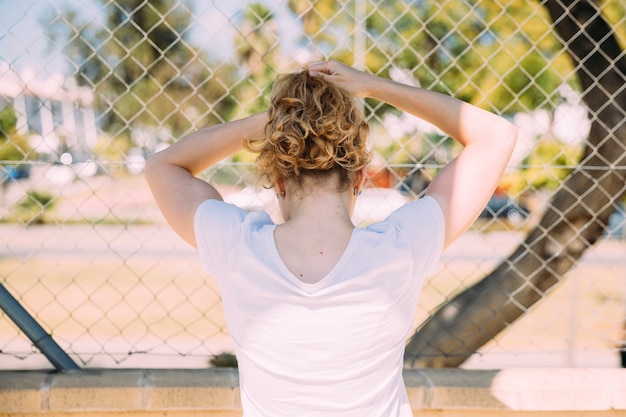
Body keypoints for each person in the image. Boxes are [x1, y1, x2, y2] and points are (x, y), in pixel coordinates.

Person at [145, 60, 517, 416]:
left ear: (278, 182)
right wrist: (373, 86)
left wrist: (283, 121)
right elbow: (495, 136)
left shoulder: (237, 245)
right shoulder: (401, 247)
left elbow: (163, 167)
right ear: (358, 179)